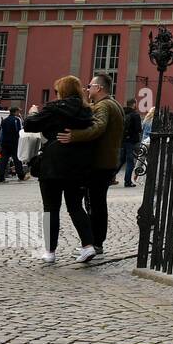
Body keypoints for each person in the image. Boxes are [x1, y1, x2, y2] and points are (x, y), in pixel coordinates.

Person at [24, 76, 97, 263]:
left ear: (62, 92)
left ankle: (50, 251)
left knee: (51, 208)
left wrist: (33, 113)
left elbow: (30, 125)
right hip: (78, 164)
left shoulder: (54, 109)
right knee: (75, 207)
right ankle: (88, 246)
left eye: (57, 91)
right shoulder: (86, 110)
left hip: (53, 164)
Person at [57, 73, 124, 256]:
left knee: (95, 204)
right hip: (108, 162)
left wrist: (74, 136)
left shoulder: (103, 106)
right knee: (98, 203)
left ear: (99, 88)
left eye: (90, 86)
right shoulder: (115, 104)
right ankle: (96, 242)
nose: (87, 89)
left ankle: (95, 243)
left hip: (99, 163)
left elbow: (98, 127)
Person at [0, 107, 25, 184]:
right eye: (18, 111)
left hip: (5, 143)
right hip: (14, 143)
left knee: (3, 160)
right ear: (15, 112)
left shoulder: (4, 120)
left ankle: (0, 178)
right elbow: (19, 131)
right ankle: (21, 176)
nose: (19, 113)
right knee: (17, 159)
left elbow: (1, 133)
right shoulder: (17, 120)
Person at [120, 99, 143, 188]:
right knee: (130, 162)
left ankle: (110, 178)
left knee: (121, 160)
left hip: (122, 140)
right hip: (131, 140)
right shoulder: (135, 115)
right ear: (134, 104)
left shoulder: (122, 113)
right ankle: (128, 181)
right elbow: (138, 129)